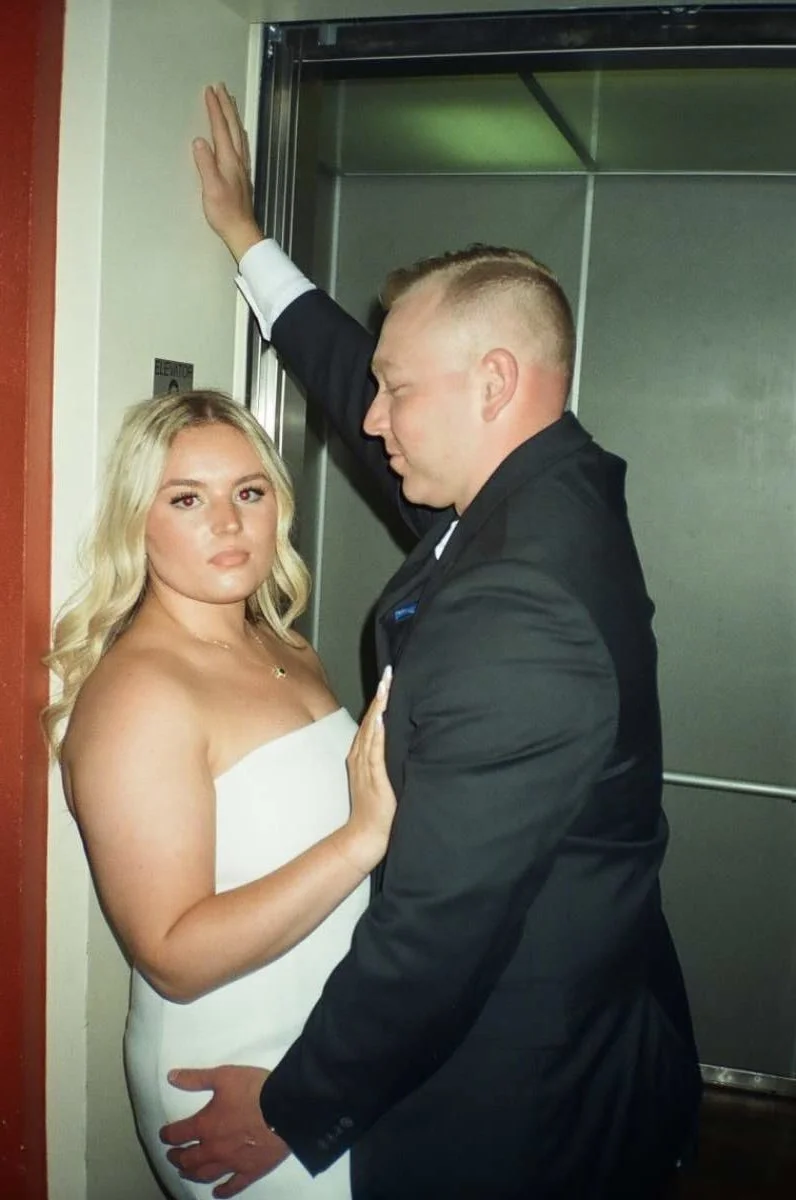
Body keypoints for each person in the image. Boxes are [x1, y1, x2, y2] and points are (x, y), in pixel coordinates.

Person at [160, 85, 702, 1200]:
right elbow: (360, 374)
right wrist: (245, 238)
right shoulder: (542, 484)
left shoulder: (520, 607)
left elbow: (440, 930)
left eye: (398, 394)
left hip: (514, 1101)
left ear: (493, 385)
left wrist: (294, 1105)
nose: (371, 417)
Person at [43, 388, 396, 1200]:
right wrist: (362, 841)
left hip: (323, 1049)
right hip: (233, 1079)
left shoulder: (287, 645)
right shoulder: (140, 695)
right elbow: (172, 955)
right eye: (185, 499)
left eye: (248, 491)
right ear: (139, 520)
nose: (228, 523)